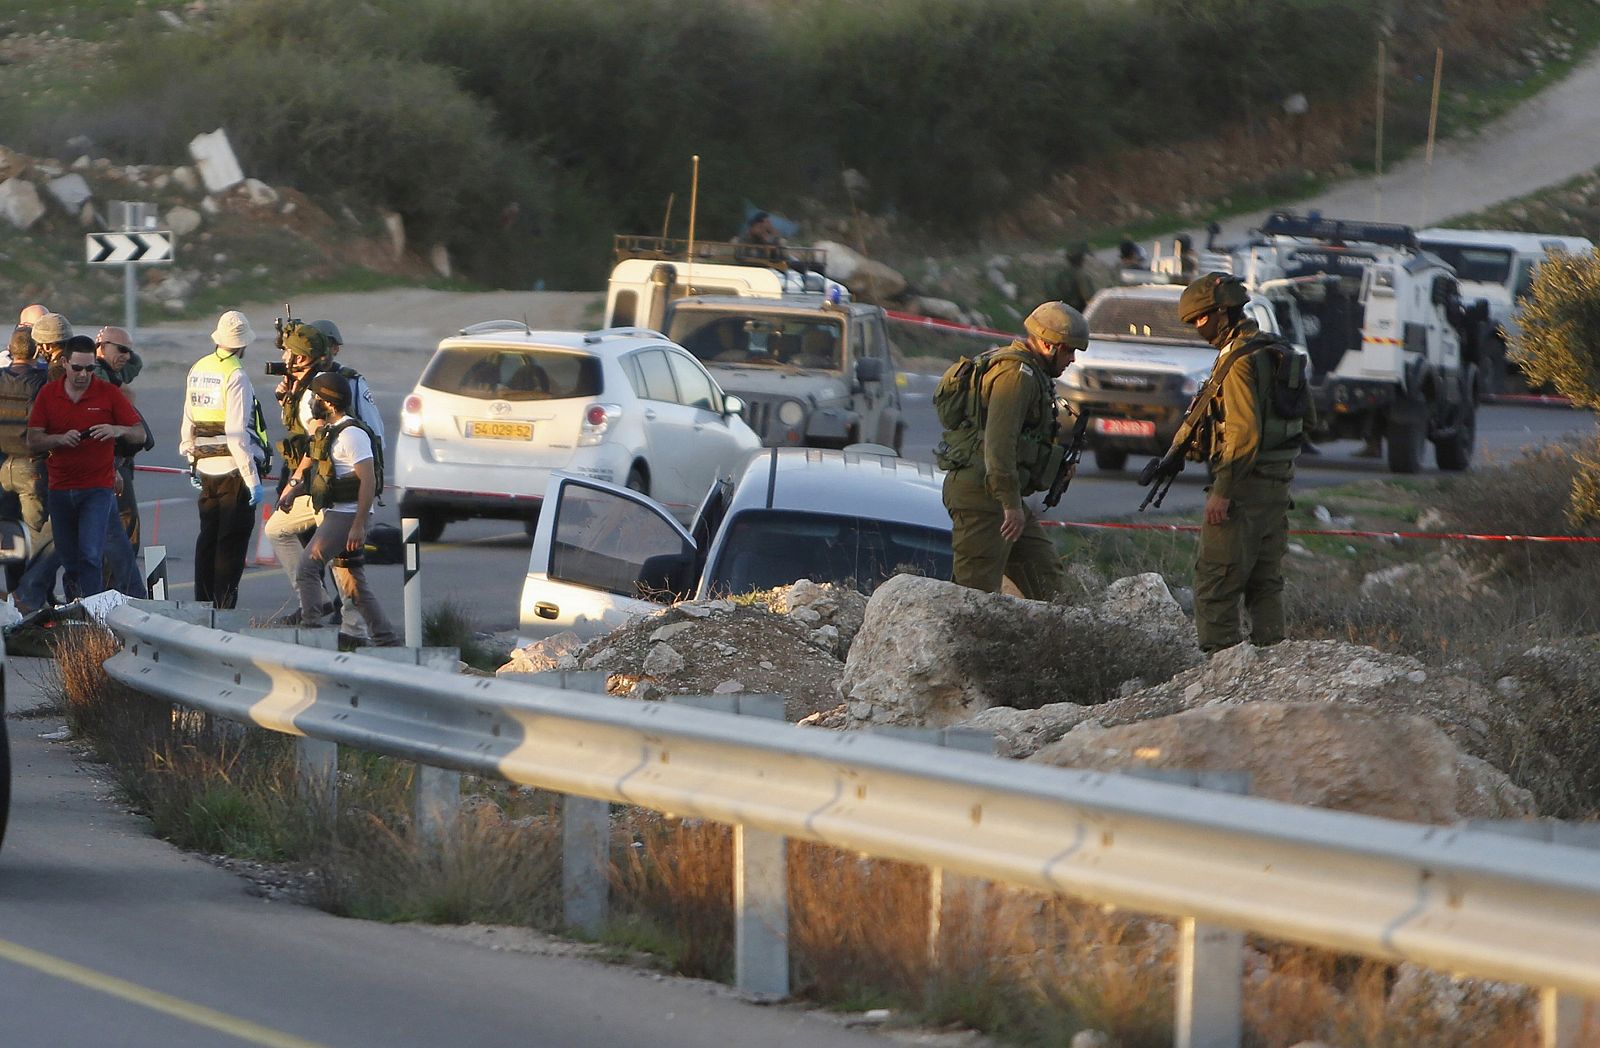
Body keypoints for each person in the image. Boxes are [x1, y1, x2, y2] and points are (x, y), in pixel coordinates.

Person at [1175, 272, 1308, 653]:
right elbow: (1305, 421)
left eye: (1201, 320)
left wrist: (1222, 491)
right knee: (1265, 585)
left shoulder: (1238, 362)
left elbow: (1244, 434)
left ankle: (1223, 673)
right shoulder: (1275, 349)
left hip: (1243, 490)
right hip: (1276, 487)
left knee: (1215, 585)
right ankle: (1270, 665)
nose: (1198, 329)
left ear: (1222, 313)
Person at [939, 301, 1087, 599]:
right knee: (972, 599)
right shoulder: (1016, 376)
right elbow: (999, 442)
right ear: (1047, 344)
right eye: (1068, 350)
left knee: (1050, 587)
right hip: (985, 497)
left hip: (1003, 497)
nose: (1071, 359)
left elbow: (1024, 440)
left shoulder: (1033, 374)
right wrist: (1009, 503)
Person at [264, 321, 382, 639]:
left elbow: (327, 442)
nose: (285, 357)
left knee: (341, 564)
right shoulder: (302, 386)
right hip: (313, 479)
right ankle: (315, 605)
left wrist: (301, 480)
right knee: (281, 531)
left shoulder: (330, 387)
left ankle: (351, 627)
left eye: (291, 351)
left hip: (335, 484)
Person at [280, 372, 399, 647]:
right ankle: (387, 641)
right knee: (353, 585)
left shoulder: (352, 435)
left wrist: (358, 524)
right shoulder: (328, 431)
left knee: (307, 567)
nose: (313, 403)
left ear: (330, 403)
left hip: (347, 516)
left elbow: (367, 481)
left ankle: (309, 633)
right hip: (338, 513)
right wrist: (294, 490)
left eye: (317, 398)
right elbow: (320, 472)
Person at [23, 342, 143, 601]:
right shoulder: (49, 395)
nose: (83, 374)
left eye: (89, 368)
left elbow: (139, 432)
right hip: (61, 488)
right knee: (70, 559)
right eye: (77, 368)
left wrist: (116, 429)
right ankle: (76, 607)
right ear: (64, 363)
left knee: (91, 554)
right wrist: (59, 439)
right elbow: (33, 440)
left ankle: (94, 611)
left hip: (97, 488)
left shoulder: (108, 393)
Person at [179, 310, 270, 610]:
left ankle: (202, 605)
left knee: (207, 540)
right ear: (243, 344)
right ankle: (223, 608)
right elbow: (237, 434)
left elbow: (188, 423)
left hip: (206, 468)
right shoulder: (236, 375)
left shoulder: (198, 368)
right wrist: (252, 480)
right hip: (234, 471)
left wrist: (192, 459)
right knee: (230, 546)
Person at [92, 325, 150, 545]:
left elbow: (136, 364)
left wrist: (122, 347)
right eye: (121, 350)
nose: (126, 356)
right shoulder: (96, 372)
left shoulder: (113, 369)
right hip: (109, 459)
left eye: (128, 351)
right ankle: (116, 577)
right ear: (101, 348)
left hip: (119, 459)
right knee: (124, 522)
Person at [0, 327, 47, 593]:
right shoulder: (42, 381)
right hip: (31, 467)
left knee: (11, 536)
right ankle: (31, 595)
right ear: (38, 350)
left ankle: (15, 591)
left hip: (3, 465)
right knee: (35, 537)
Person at [1051, 242, 1104, 312]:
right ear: (1081, 259)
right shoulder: (1081, 275)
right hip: (1080, 311)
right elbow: (1088, 297)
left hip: (1064, 311)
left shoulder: (1061, 275)